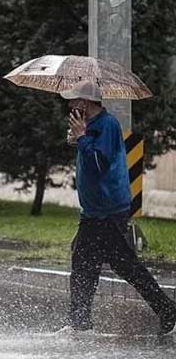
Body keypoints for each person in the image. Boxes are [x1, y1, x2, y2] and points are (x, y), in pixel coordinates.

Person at [60, 80, 176, 335]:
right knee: (102, 265)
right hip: (95, 211)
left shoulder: (108, 125)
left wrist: (81, 139)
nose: (69, 104)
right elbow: (90, 157)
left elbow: (99, 165)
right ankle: (80, 322)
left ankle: (80, 324)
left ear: (85, 102)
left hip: (107, 211)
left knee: (92, 265)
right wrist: (77, 139)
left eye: (73, 100)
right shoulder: (91, 125)